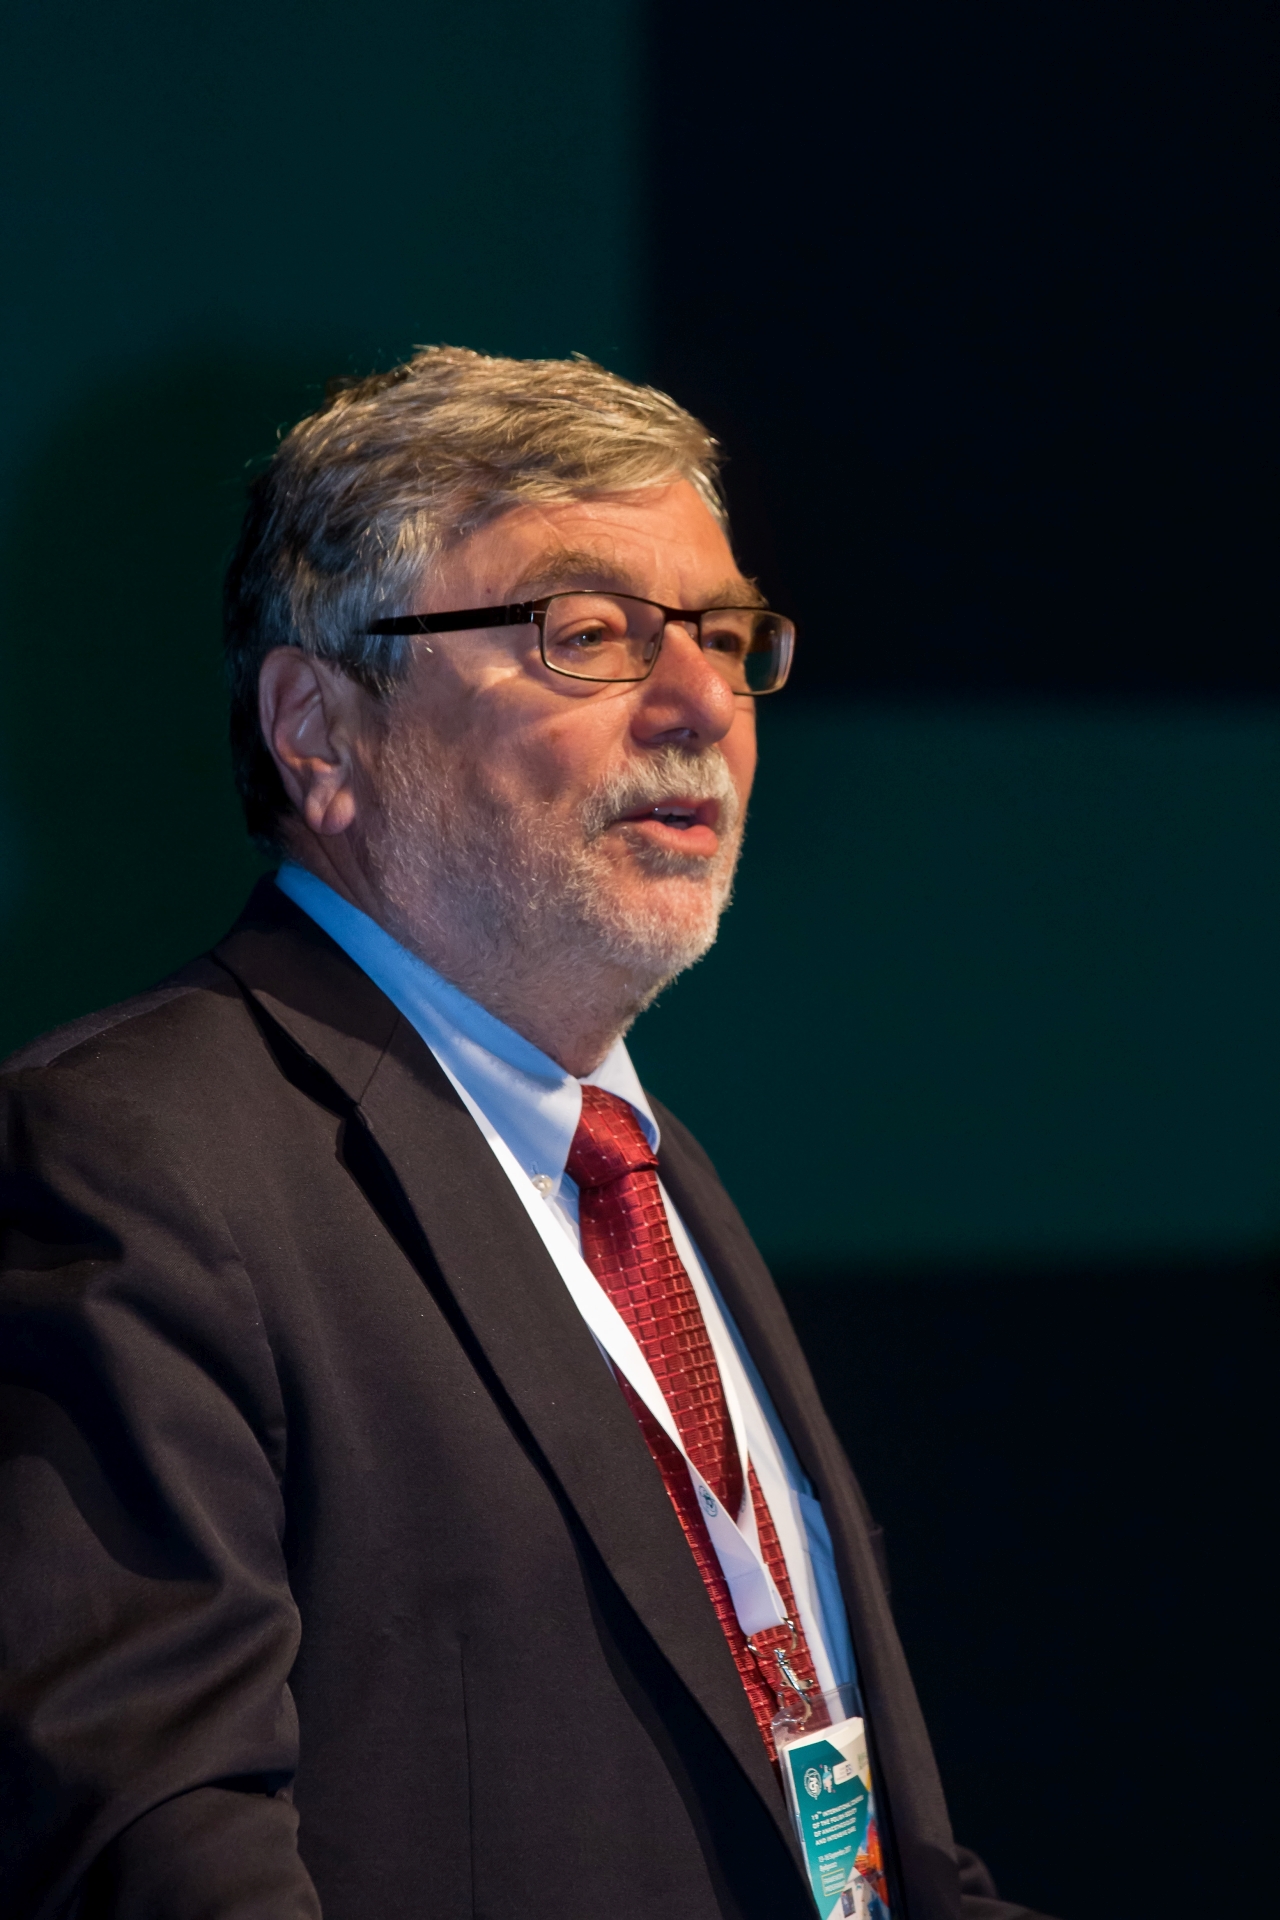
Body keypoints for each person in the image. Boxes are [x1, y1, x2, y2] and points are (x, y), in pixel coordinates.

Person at [0, 348, 1049, 1920]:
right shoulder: (128, 1163)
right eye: (589, 634)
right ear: (319, 732)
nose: (700, 703)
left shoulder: (645, 1170)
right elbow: (156, 1856)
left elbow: (876, 1860)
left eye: (725, 637)